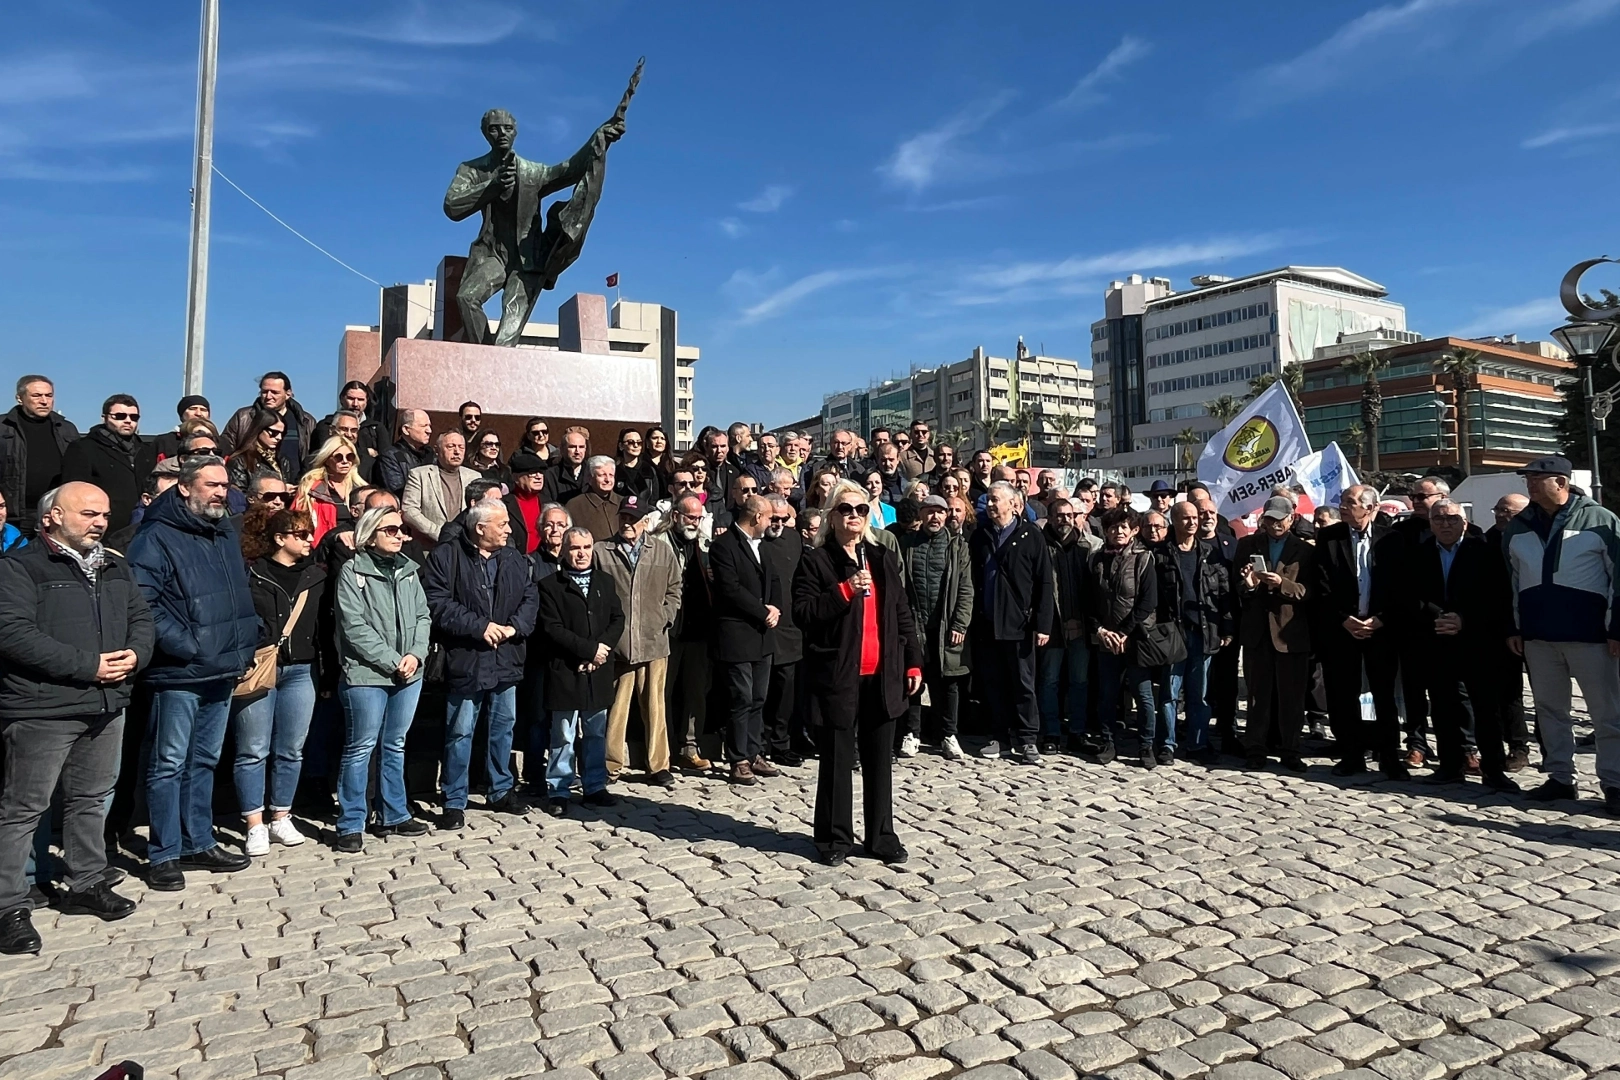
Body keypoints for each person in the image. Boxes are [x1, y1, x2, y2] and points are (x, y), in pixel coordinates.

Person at [0, 483, 152, 954]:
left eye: (105, 514)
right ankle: (8, 906)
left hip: (106, 703)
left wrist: (136, 655)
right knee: (24, 808)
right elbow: (12, 633)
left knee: (92, 797)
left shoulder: (115, 564)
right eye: (88, 513)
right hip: (43, 707)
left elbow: (142, 619)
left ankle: (87, 882)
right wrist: (87, 665)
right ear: (52, 517)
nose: (100, 522)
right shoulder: (19, 566)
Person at [127, 459, 261, 889]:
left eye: (225, 485)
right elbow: (143, 605)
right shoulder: (155, 536)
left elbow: (235, 593)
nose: (222, 492)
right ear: (185, 488)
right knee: (169, 762)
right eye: (212, 485)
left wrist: (245, 640)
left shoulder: (223, 532)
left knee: (203, 759)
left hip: (222, 666)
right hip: (180, 672)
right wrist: (189, 646)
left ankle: (198, 840)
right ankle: (164, 852)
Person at [795, 478, 922, 866]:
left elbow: (902, 612)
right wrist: (845, 591)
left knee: (879, 759)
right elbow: (803, 613)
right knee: (835, 758)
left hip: (883, 673)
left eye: (860, 509)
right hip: (839, 672)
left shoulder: (882, 557)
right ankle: (833, 838)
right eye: (845, 509)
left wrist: (913, 660)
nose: (853, 515)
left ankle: (881, 835)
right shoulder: (816, 560)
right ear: (831, 516)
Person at [1502, 456, 1620, 812]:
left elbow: (1619, 580)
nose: (1530, 485)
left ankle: (1614, 783)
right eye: (1528, 479)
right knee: (1550, 711)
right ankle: (1559, 778)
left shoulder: (1601, 520)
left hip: (1592, 636)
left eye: (1537, 479)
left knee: (1607, 714)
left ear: (1561, 482)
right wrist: (1514, 627)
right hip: (1539, 636)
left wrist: (1617, 629)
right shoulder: (1518, 526)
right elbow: (1512, 582)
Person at [423, 500, 539, 827]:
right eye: (501, 524)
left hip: (507, 657)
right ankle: (454, 799)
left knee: (502, 728)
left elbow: (530, 597)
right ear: (480, 528)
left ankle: (500, 789)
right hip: (467, 658)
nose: (508, 529)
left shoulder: (515, 558)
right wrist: (479, 627)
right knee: (460, 731)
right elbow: (437, 603)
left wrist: (515, 626)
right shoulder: (446, 557)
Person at [332, 506, 433, 850]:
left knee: (395, 743)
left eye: (400, 529)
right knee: (361, 746)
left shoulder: (408, 570)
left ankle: (393, 812)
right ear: (370, 533)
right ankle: (350, 822)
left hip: (409, 671)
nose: (398, 535)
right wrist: (392, 660)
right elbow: (353, 626)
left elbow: (423, 615)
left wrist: (416, 654)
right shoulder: (352, 572)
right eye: (390, 530)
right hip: (366, 673)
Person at [1407, 498, 1518, 792]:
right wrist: (1439, 617)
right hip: (1435, 639)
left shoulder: (1485, 552)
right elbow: (1408, 595)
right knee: (1443, 706)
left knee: (1485, 708)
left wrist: (1463, 619)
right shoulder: (1417, 555)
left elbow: (1497, 597)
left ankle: (1493, 769)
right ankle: (1449, 766)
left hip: (1477, 641)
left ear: (1464, 522)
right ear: (1430, 523)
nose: (1446, 524)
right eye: (1439, 519)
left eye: (1452, 519)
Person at [234, 508, 327, 856]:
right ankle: (254, 823)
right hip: (260, 667)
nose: (308, 540)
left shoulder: (316, 575)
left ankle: (281, 815)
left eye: (309, 534)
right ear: (279, 539)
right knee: (253, 749)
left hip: (301, 669)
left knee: (291, 748)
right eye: (301, 534)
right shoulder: (253, 573)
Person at [1313, 485, 1405, 778]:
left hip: (1381, 629)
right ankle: (1351, 754)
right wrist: (1344, 619)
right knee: (1342, 694)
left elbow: (1400, 587)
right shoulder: (1329, 537)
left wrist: (1381, 620)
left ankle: (1389, 755)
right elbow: (1322, 585)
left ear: (1370, 507)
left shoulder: (1392, 539)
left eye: (1350, 502)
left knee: (1383, 694)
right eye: (1342, 501)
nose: (1343, 506)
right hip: (1342, 629)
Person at [537, 526, 626, 816]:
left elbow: (616, 618)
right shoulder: (550, 585)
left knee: (595, 731)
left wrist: (601, 650)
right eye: (575, 548)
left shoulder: (605, 581)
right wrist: (587, 650)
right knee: (563, 733)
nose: (581, 554)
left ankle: (594, 786)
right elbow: (552, 628)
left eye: (586, 548)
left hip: (598, 669)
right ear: (564, 550)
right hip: (566, 668)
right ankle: (559, 789)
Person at [595, 496, 681, 787]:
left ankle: (658, 765)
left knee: (655, 706)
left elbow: (675, 587)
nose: (627, 523)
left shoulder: (661, 551)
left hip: (653, 640)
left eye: (633, 518)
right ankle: (610, 764)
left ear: (646, 521)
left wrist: (665, 616)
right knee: (617, 707)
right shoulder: (601, 551)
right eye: (624, 517)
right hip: (618, 643)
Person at [969, 481, 1054, 764]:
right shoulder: (979, 536)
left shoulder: (1031, 535)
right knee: (993, 684)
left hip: (1019, 625)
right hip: (987, 623)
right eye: (988, 500)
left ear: (1013, 504)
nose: (990, 505)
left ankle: (1028, 739)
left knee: (1023, 684)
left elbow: (1044, 581)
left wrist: (1043, 624)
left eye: (995, 500)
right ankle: (1000, 737)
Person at [1235, 496, 1315, 772]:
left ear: (1291, 519)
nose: (1275, 524)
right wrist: (1248, 585)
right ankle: (1255, 748)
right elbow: (1236, 589)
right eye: (1269, 519)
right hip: (1257, 632)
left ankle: (1290, 749)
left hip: (1290, 634)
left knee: (1291, 697)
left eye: (1280, 519)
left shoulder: (1305, 551)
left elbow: (1310, 591)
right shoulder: (1247, 545)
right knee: (1257, 696)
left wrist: (1282, 584)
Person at [708, 494, 779, 784]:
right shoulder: (724, 547)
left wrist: (775, 609)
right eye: (770, 517)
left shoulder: (764, 547)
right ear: (756, 518)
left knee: (759, 697)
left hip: (763, 635)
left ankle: (754, 750)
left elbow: (773, 580)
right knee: (742, 696)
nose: (773, 522)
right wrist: (762, 611)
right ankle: (738, 759)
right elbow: (730, 589)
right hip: (737, 633)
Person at [897, 494, 973, 761]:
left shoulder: (957, 546)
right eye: (930, 512)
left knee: (948, 681)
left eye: (940, 512)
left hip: (946, 625)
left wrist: (960, 623)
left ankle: (948, 734)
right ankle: (912, 733)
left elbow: (965, 589)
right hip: (915, 624)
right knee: (914, 679)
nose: (936, 517)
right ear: (921, 514)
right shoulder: (906, 545)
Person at [1157, 500, 1231, 765]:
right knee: (1169, 693)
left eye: (1195, 518)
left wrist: (1227, 628)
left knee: (1199, 694)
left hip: (1204, 632)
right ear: (1174, 521)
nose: (1192, 522)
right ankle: (1166, 743)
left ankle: (1197, 744)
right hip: (1172, 634)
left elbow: (1223, 594)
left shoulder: (1210, 554)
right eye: (1186, 518)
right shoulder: (1160, 554)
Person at [1085, 506, 1160, 766]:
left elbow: (1148, 601)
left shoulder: (1143, 558)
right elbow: (1090, 601)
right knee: (1107, 694)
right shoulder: (1096, 559)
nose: (1118, 531)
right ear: (1105, 531)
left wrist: (1124, 632)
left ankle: (1146, 746)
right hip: (1106, 638)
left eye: (1124, 527)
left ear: (1134, 531)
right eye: (1113, 527)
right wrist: (1101, 630)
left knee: (1143, 694)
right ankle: (1108, 742)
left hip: (1135, 637)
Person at [1040, 497, 1098, 755]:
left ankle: (1077, 731)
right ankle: (1051, 732)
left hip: (1081, 627)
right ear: (1050, 518)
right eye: (1059, 515)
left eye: (1069, 515)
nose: (1064, 519)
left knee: (1079, 682)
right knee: (1049, 681)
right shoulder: (1040, 545)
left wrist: (1084, 621)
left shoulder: (1088, 547)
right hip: (1051, 626)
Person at [662, 494, 713, 772]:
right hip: (668, 629)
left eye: (698, 517)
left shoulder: (704, 545)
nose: (694, 522)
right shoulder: (660, 543)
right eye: (689, 516)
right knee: (664, 692)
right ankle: (664, 748)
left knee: (696, 692)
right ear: (676, 516)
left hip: (697, 627)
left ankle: (689, 747)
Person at [1485, 493, 1534, 773]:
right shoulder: (1487, 540)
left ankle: (1552, 750)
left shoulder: (1534, 537)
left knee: (1546, 694)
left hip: (1537, 624)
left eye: (1508, 511)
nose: (1501, 515)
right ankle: (1517, 746)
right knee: (1508, 692)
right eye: (1498, 509)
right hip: (1502, 627)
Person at [60, 395, 155, 533]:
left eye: (134, 417)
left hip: (141, 527)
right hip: (102, 528)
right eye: (120, 416)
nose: (128, 421)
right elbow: (74, 490)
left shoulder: (145, 451)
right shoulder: (84, 448)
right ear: (104, 418)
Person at [0, 375, 80, 537]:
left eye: (49, 396)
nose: (44, 401)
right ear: (20, 398)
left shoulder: (66, 429)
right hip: (14, 516)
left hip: (53, 514)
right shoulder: (3, 428)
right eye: (36, 396)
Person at [760, 495, 807, 765]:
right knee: (760, 691)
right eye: (773, 518)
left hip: (790, 626)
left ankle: (781, 743)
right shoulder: (756, 540)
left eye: (783, 519)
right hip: (763, 624)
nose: (778, 523)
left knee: (786, 690)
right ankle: (757, 744)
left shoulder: (794, 539)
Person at [219, 372, 316, 478]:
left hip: (296, 486)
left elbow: (313, 457)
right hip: (252, 485)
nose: (268, 396)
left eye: (275, 392)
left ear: (288, 394)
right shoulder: (243, 417)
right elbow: (225, 449)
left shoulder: (306, 421)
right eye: (264, 392)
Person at [403, 432, 480, 548]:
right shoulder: (419, 474)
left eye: (461, 447)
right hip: (429, 547)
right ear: (437, 450)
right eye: (450, 446)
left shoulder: (475, 477)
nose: (457, 451)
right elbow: (409, 510)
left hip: (465, 547)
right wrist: (439, 533)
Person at [293, 436, 361, 546]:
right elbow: (296, 523)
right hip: (321, 549)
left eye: (350, 457)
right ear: (327, 460)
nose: (345, 461)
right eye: (338, 457)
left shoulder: (361, 489)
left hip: (355, 548)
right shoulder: (311, 489)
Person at [313, 382, 382, 482]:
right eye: (351, 398)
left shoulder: (377, 427)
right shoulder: (325, 425)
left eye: (360, 399)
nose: (355, 404)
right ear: (341, 399)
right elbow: (326, 451)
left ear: (367, 401)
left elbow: (385, 457)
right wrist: (367, 451)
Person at [226, 410, 287, 495]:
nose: (279, 437)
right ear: (259, 429)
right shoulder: (240, 461)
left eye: (282, 433)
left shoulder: (282, 460)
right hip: (254, 507)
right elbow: (237, 497)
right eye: (274, 433)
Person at [377, 410, 435, 497]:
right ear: (406, 430)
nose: (429, 431)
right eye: (423, 426)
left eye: (429, 426)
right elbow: (397, 491)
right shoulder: (391, 456)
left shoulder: (430, 454)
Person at [566, 456, 624, 540]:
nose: (607, 479)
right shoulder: (575, 505)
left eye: (611, 475)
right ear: (590, 478)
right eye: (602, 475)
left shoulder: (623, 502)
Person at [503, 451, 548, 555]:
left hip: (543, 563)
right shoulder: (503, 505)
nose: (538, 476)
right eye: (532, 472)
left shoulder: (548, 503)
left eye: (541, 472)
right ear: (515, 477)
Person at [153, 395, 211, 461]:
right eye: (192, 409)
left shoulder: (221, 443)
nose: (198, 413)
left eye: (203, 410)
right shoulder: (164, 442)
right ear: (182, 415)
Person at [545, 426, 592, 505]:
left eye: (581, 447)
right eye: (572, 447)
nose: (577, 451)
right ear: (562, 449)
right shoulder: (550, 476)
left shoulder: (592, 473)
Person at [613, 428, 659, 503]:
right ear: (621, 446)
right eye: (631, 442)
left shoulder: (649, 470)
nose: (636, 445)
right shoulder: (615, 470)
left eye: (639, 442)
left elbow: (654, 498)